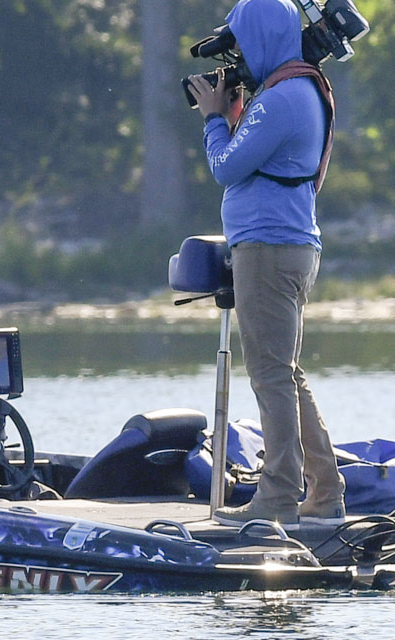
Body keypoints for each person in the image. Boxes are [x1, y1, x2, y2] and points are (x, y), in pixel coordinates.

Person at [187, 0, 345, 530]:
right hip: (287, 245)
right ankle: (325, 491)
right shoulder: (295, 90)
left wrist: (214, 119)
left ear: (261, 37)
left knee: (271, 375)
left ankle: (277, 497)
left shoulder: (283, 97)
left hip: (269, 251)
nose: (238, 55)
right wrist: (234, 114)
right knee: (286, 373)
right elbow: (260, 157)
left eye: (241, 41)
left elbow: (225, 167)